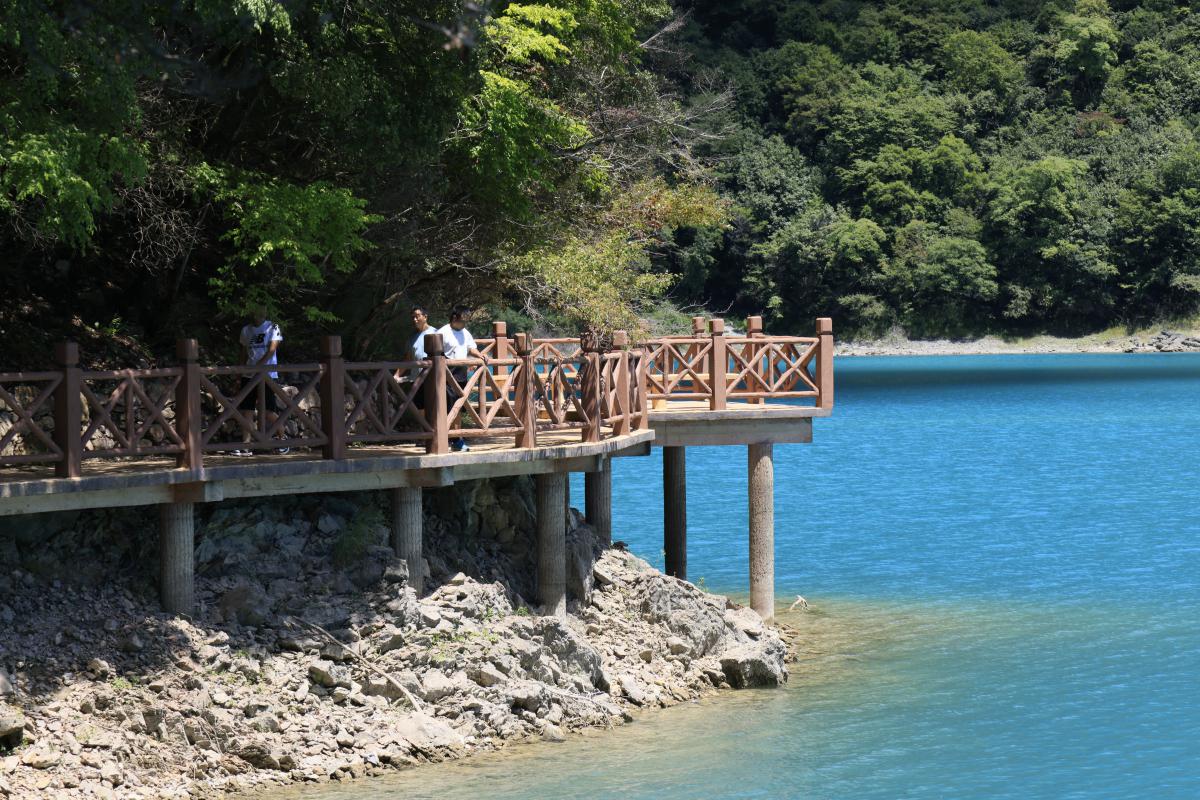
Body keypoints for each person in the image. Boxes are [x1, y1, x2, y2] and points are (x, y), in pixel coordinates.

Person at [233, 305, 287, 456]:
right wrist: (239, 374)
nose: (259, 313)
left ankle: (283, 438)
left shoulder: (273, 327)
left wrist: (259, 366)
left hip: (267, 375)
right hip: (248, 374)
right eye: (256, 310)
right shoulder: (246, 330)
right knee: (247, 411)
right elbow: (243, 353)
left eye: (262, 309)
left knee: (268, 410)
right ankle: (246, 445)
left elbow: (272, 350)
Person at [436, 305, 489, 451]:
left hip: (461, 373)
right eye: (463, 318)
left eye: (467, 318)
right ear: (454, 317)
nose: (465, 321)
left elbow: (471, 348)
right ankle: (447, 439)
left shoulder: (465, 332)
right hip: (446, 373)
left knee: (458, 407)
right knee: (446, 407)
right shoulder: (443, 332)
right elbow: (436, 352)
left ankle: (457, 440)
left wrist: (480, 355)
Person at [395, 305, 438, 412]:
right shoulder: (412, 338)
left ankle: (436, 429)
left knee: (435, 410)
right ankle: (426, 429)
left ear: (425, 317)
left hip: (433, 379)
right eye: (413, 317)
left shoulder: (436, 333)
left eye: (417, 316)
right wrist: (397, 375)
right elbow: (408, 359)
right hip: (417, 380)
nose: (415, 319)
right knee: (420, 411)